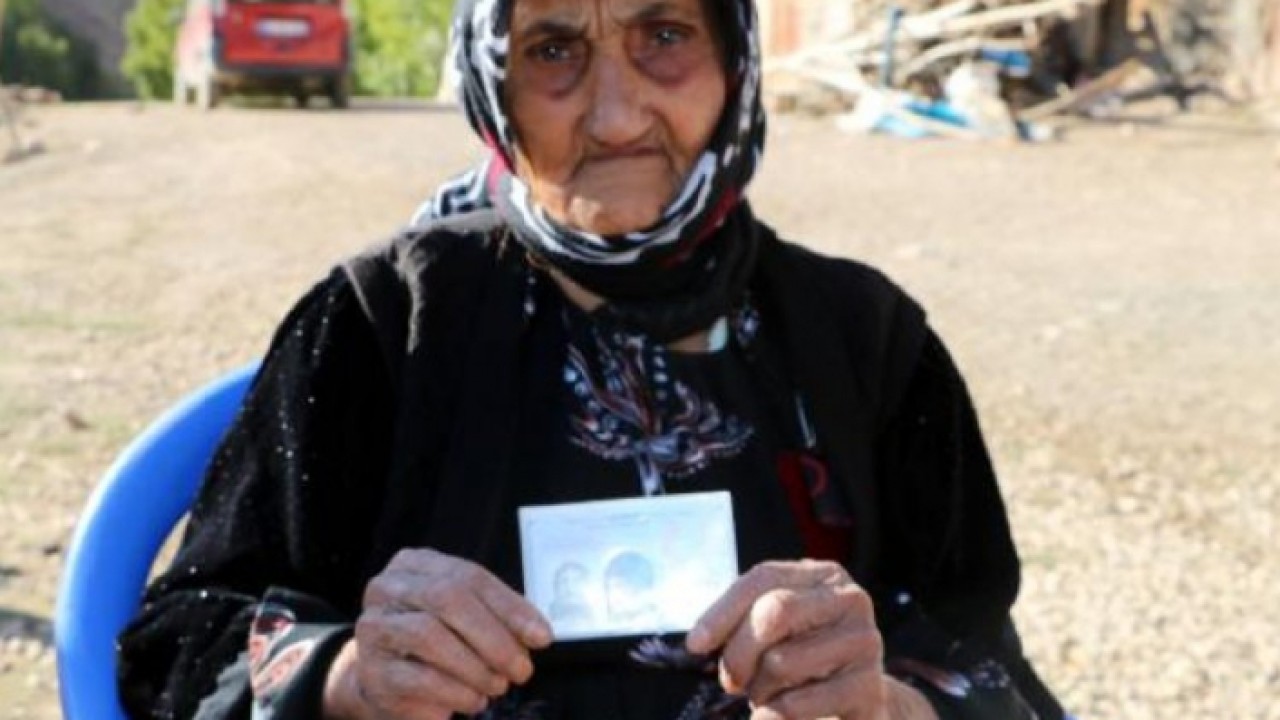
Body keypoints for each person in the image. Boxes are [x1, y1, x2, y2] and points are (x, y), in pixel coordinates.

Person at [117, 0, 1068, 718]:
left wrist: (889, 703)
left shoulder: (865, 338)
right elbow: (178, 645)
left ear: (735, 59)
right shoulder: (384, 323)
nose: (614, 117)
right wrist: (347, 676)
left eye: (665, 35)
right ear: (492, 80)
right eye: (553, 50)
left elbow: (995, 675)